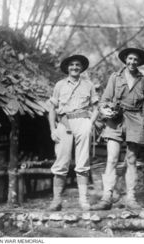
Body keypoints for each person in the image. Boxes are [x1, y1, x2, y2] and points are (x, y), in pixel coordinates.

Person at [91, 47, 144, 210]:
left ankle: (130, 198)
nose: (132, 62)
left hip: (135, 120)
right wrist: (106, 110)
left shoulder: (143, 81)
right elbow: (104, 100)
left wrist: (142, 121)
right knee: (111, 159)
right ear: (125, 60)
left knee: (131, 160)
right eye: (130, 59)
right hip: (115, 119)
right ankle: (106, 198)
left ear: (139, 62)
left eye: (136, 60)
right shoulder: (115, 77)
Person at [48, 54, 99, 211]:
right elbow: (52, 109)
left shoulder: (88, 85)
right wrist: (52, 130)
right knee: (61, 161)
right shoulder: (59, 85)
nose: (75, 67)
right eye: (72, 65)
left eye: (78, 65)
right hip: (64, 123)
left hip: (82, 121)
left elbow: (96, 107)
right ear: (67, 68)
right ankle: (56, 200)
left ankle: (83, 200)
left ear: (82, 68)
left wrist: (90, 123)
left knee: (82, 162)